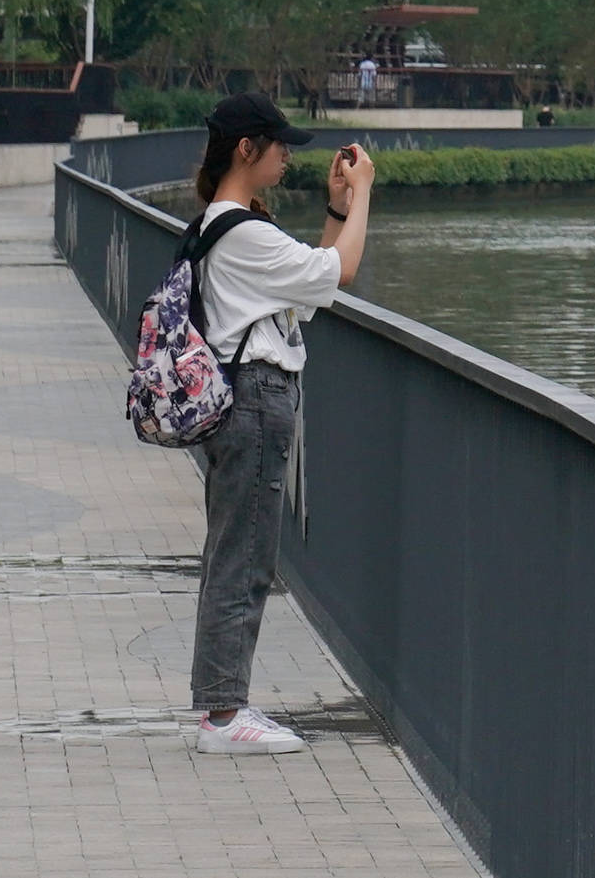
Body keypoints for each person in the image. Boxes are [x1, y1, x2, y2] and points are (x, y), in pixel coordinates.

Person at [183, 92, 373, 756]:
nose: (288, 152)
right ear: (246, 148)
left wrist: (336, 210)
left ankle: (223, 701)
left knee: (233, 552)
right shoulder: (244, 232)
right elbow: (342, 269)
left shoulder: (221, 225)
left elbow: (309, 293)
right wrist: (366, 194)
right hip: (255, 401)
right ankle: (223, 715)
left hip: (242, 399)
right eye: (280, 142)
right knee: (245, 558)